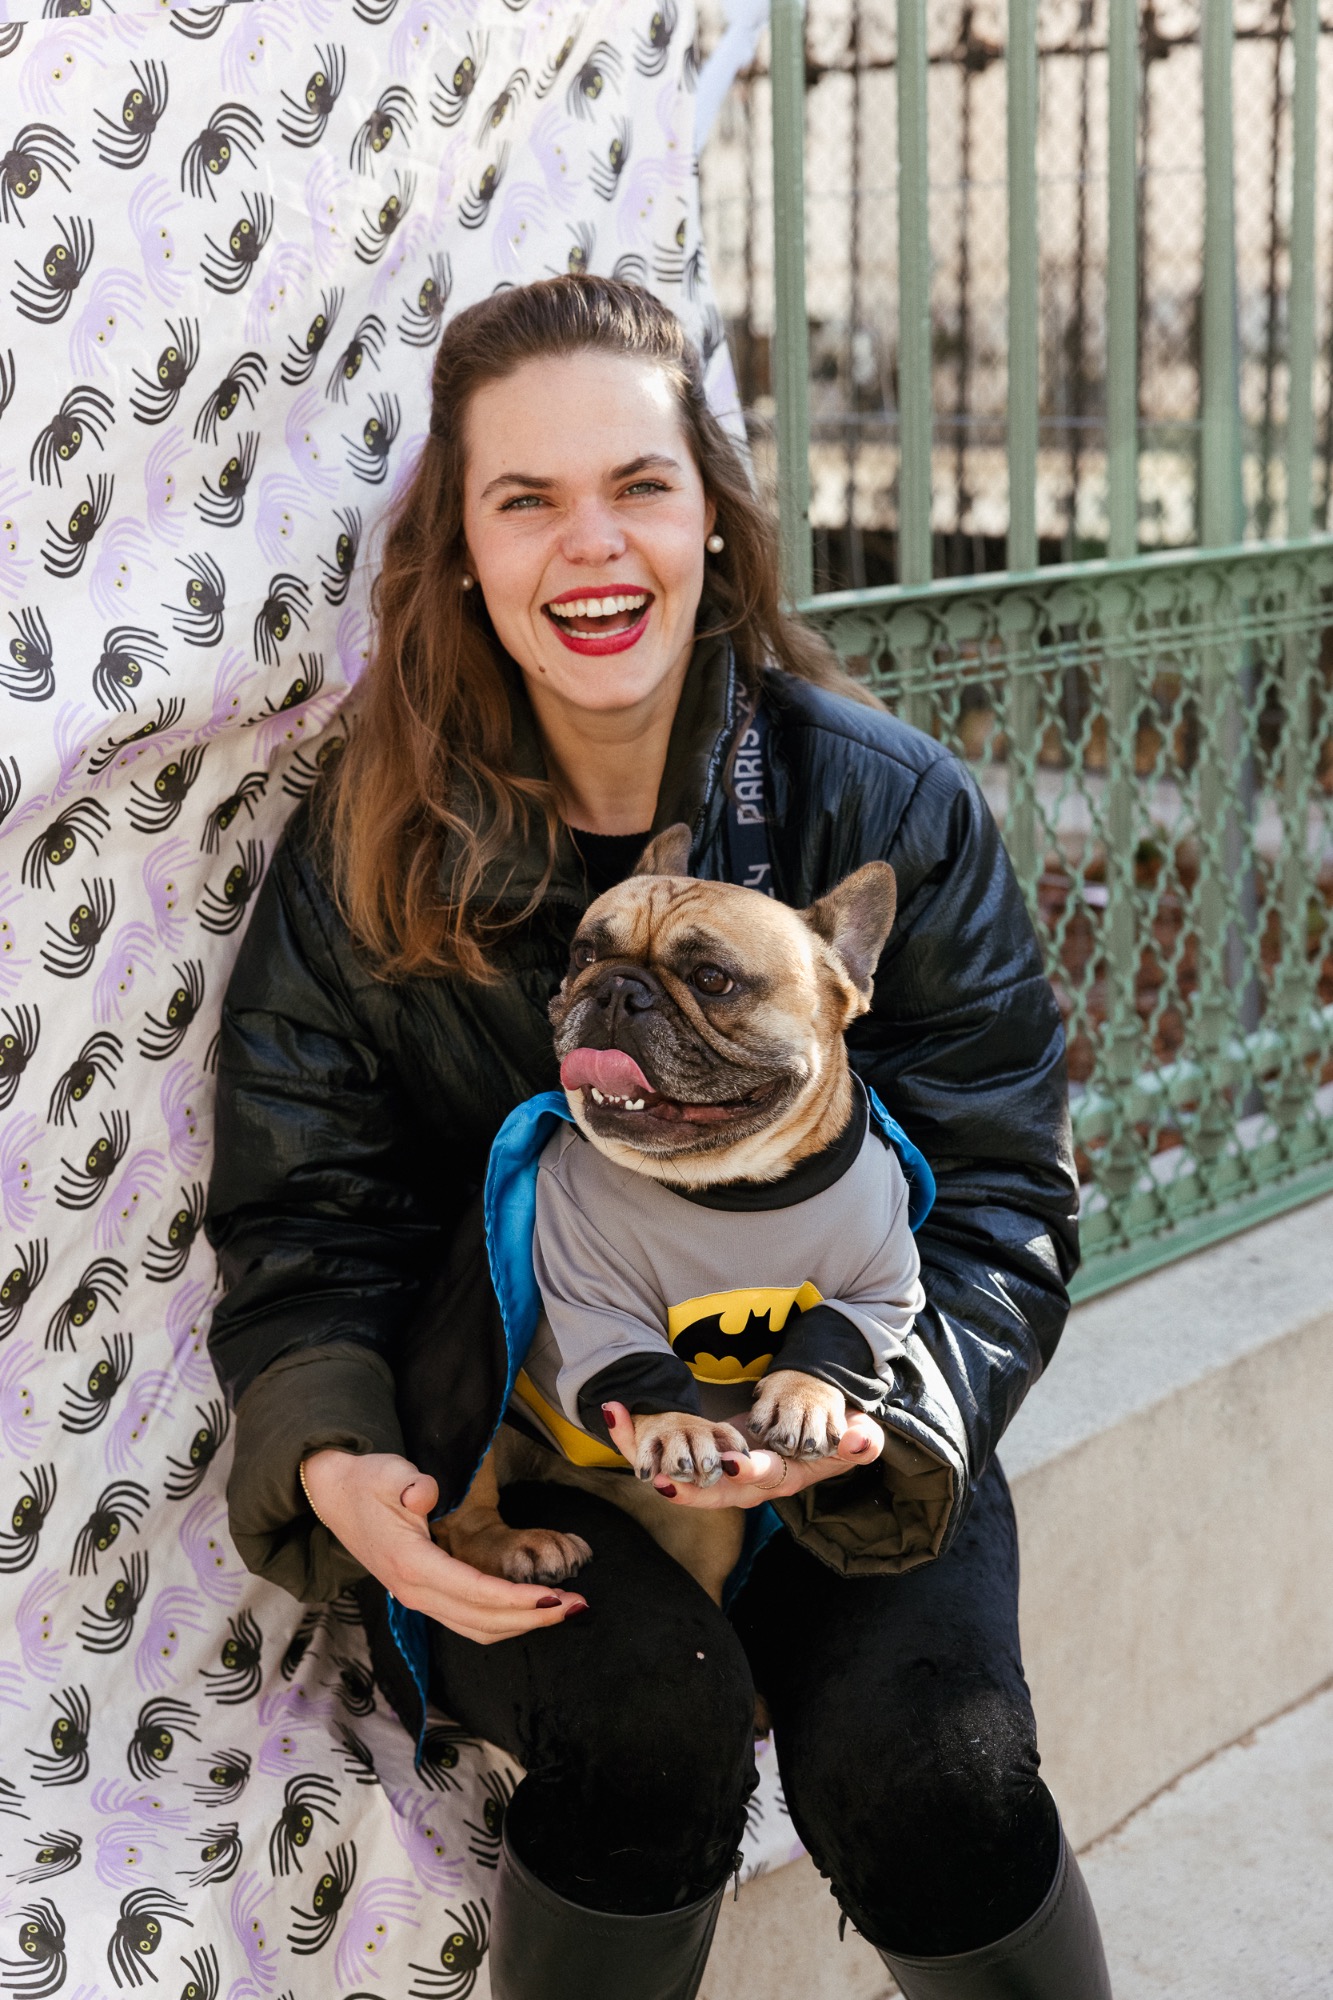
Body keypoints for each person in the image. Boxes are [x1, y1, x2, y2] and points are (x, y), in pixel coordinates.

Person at [205, 275, 1111, 1999]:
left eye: (636, 483)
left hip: (837, 1400)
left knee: (938, 1770)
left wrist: (892, 1413)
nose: (591, 542)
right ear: (458, 553)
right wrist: (340, 1463)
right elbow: (302, 1215)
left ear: (712, 516)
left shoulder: (884, 802)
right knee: (642, 1728)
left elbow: (1000, 1187)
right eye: (524, 499)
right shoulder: (371, 837)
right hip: (532, 1442)